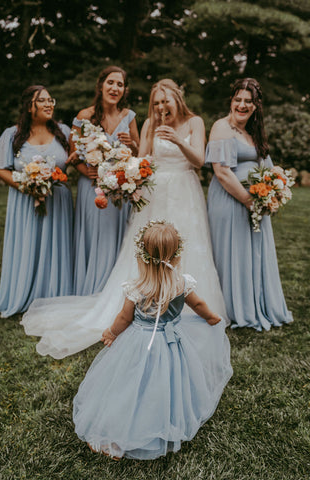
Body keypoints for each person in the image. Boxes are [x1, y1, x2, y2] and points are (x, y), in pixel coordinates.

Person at [21, 78, 228, 358]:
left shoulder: (195, 122)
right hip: (155, 193)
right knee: (145, 248)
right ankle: (140, 307)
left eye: (165, 101)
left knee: (188, 245)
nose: (160, 107)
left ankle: (193, 305)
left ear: (177, 99)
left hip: (184, 190)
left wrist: (177, 140)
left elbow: (199, 161)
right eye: (155, 103)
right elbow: (142, 160)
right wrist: (133, 171)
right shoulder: (149, 124)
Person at [73, 221, 233, 460]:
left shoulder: (137, 288)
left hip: (139, 343)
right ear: (177, 256)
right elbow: (198, 305)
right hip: (173, 343)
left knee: (131, 383)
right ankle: (162, 420)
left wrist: (112, 332)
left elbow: (124, 318)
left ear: (142, 256)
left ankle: (118, 435)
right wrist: (212, 318)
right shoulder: (182, 284)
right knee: (168, 381)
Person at [205, 77, 293, 331]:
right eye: (238, 100)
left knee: (254, 254)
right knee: (233, 254)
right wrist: (247, 200)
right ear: (231, 102)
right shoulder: (222, 127)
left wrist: (273, 192)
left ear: (256, 106)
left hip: (256, 201)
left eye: (248, 101)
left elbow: (266, 164)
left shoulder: (252, 131)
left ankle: (258, 304)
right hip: (230, 200)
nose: (242, 105)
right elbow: (221, 172)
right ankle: (236, 308)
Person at [0, 85, 73, 318]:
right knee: (27, 245)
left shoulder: (64, 132)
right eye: (42, 100)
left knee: (55, 247)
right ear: (30, 106)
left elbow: (76, 161)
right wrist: (29, 187)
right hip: (24, 202)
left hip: (58, 202)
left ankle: (53, 296)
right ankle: (23, 294)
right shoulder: (11, 135)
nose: (49, 104)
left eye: (51, 100)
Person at [70, 65, 139, 295]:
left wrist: (132, 143)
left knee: (114, 237)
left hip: (119, 189)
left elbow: (138, 154)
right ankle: (89, 290)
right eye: (111, 82)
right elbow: (73, 155)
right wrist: (84, 170)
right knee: (94, 236)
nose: (115, 88)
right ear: (101, 85)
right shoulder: (84, 116)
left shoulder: (129, 117)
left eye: (120, 84)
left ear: (124, 90)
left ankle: (112, 292)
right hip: (91, 188)